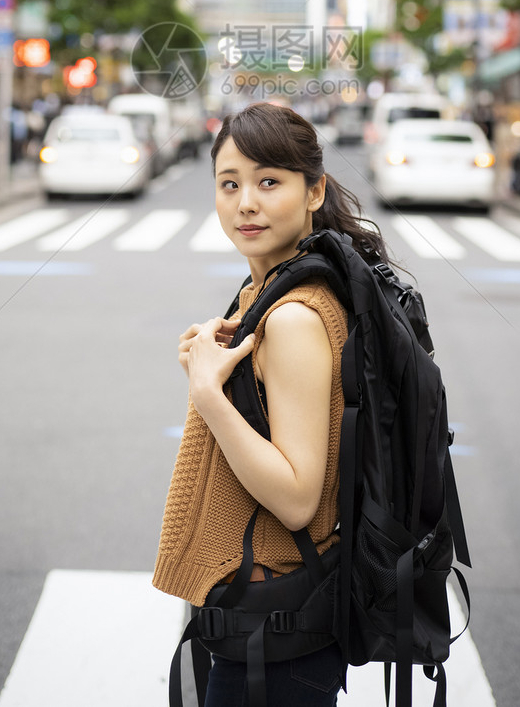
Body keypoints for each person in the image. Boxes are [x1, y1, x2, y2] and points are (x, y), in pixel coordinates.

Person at [153, 101, 391, 706]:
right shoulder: (270, 288)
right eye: (229, 183)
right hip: (256, 623)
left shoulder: (293, 316)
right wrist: (214, 368)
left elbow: (295, 498)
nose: (245, 203)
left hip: (274, 635)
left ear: (314, 192)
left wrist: (209, 394)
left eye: (268, 182)